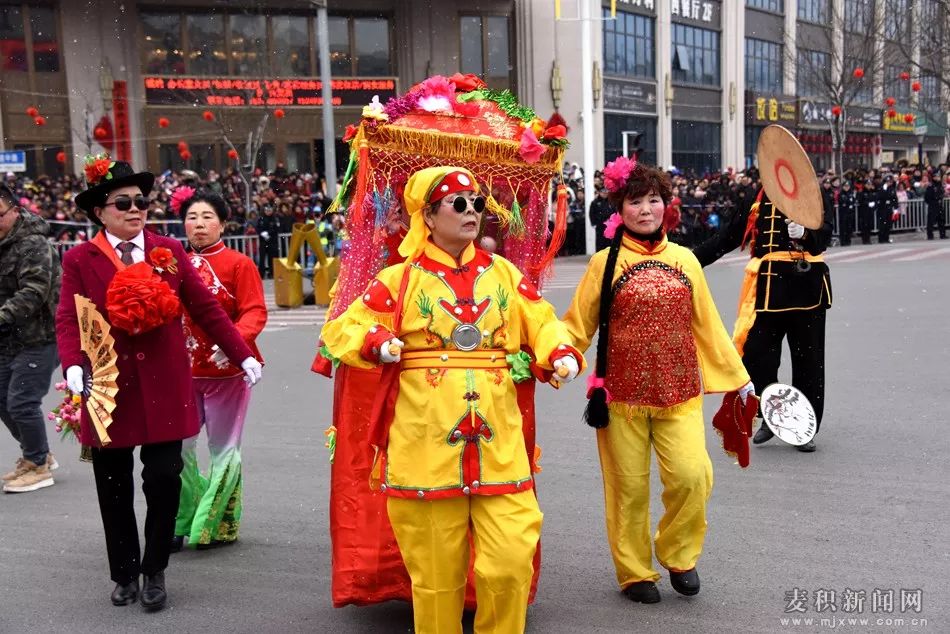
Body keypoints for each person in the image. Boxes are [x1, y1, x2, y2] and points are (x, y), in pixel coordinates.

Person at [320, 166, 582, 633]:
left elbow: (541, 320)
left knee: (510, 561)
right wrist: (376, 340)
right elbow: (342, 329)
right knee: (436, 579)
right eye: (457, 203)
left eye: (477, 203)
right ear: (428, 214)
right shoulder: (399, 280)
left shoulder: (503, 273)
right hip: (424, 445)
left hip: (498, 444)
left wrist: (558, 350)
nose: (471, 212)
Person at [55, 159, 263, 612]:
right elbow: (69, 318)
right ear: (99, 212)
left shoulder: (168, 251)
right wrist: (72, 364)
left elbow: (206, 309)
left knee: (165, 478)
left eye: (142, 202)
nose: (136, 210)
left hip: (167, 385)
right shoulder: (79, 259)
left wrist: (243, 352)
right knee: (113, 485)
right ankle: (125, 573)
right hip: (109, 388)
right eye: (124, 203)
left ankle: (154, 570)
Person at [562, 158, 753, 604]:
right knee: (627, 488)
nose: (646, 210)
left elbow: (707, 325)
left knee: (693, 475)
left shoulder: (684, 259)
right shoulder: (604, 263)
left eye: (654, 200)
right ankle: (634, 572)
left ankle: (679, 554)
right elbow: (577, 325)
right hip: (620, 396)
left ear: (667, 206)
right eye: (635, 202)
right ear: (619, 208)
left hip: (679, 390)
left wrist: (738, 380)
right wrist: (558, 356)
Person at [693, 183, 833, 453]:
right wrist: (688, 260)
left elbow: (826, 231)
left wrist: (806, 234)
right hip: (769, 290)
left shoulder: (811, 188)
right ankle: (772, 414)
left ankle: (804, 427)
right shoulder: (756, 194)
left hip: (808, 288)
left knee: (809, 363)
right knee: (756, 357)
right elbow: (729, 237)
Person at [173, 190, 267, 551]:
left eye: (207, 217)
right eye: (192, 217)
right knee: (178, 448)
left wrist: (235, 345)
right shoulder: (171, 262)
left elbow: (255, 311)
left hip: (226, 375)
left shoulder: (238, 264)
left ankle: (217, 523)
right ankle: (183, 517)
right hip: (181, 374)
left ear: (223, 224)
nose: (199, 224)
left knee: (223, 449)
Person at [0, 183, 61, 493]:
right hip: (8, 338)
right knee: (3, 399)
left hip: (42, 336)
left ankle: (37, 466)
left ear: (14, 209)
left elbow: (33, 293)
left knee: (22, 400)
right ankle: (37, 454)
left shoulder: (33, 244)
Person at [255, 205, 280, 278]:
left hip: (272, 241)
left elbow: (276, 229)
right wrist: (261, 233)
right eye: (266, 210)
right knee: (262, 258)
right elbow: (257, 228)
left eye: (269, 210)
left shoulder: (275, 219)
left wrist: (268, 233)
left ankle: (272, 273)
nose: (268, 212)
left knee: (271, 258)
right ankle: (261, 274)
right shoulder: (261, 218)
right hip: (263, 241)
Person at [589, 186, 614, 251]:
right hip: (600, 225)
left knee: (609, 241)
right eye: (603, 192)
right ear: (599, 192)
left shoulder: (611, 201)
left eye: (606, 192)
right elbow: (592, 213)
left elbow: (614, 212)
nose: (605, 193)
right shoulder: (595, 202)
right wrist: (593, 223)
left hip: (609, 225)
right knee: (600, 241)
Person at [923, 173, 947, 240]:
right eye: (937, 177)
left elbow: (941, 194)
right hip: (933, 205)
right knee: (931, 221)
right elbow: (927, 197)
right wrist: (932, 203)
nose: (938, 178)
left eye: (939, 176)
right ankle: (930, 235)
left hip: (940, 204)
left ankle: (942, 234)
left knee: (941, 220)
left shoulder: (940, 185)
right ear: (934, 178)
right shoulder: (931, 186)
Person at [837, 179, 856, 246]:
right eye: (845, 186)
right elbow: (842, 203)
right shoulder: (841, 194)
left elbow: (853, 201)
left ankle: (848, 241)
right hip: (843, 213)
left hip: (850, 213)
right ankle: (843, 241)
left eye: (848, 186)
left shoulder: (851, 194)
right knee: (843, 228)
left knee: (849, 227)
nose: (846, 187)